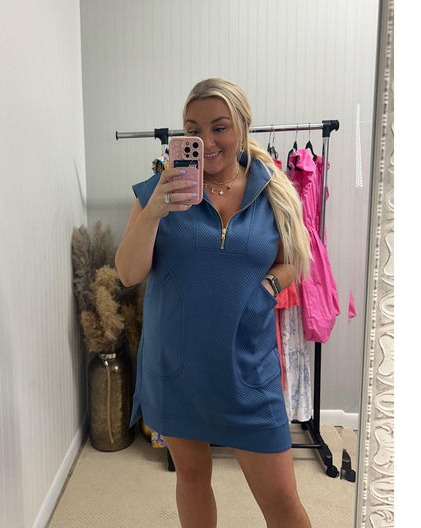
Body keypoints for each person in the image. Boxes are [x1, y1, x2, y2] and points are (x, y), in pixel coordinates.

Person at [115, 78, 313, 528]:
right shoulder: (158, 191)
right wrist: (155, 209)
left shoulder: (273, 191)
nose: (206, 141)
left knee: (283, 502)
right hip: (177, 368)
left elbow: (291, 262)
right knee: (191, 477)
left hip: (249, 369)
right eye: (193, 130)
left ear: (243, 126)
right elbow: (128, 273)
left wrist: (267, 288)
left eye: (219, 127)